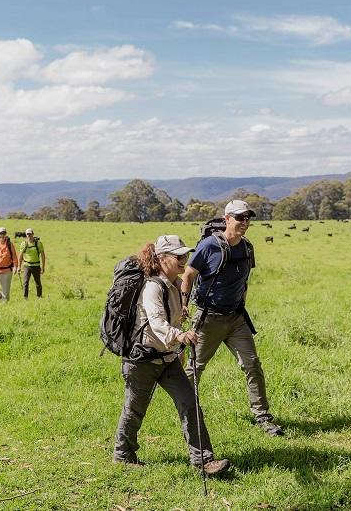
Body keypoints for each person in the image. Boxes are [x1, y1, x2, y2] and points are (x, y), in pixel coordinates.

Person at [113, 235, 230, 475]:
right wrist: (179, 336)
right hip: (142, 361)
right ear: (162, 259)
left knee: (190, 404)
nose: (183, 260)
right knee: (135, 409)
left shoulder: (175, 285)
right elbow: (157, 323)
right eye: (178, 256)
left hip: (168, 359)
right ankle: (123, 454)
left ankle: (204, 462)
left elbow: (172, 317)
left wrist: (179, 341)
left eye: (185, 255)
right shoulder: (152, 287)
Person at [181, 200, 284, 436]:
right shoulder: (209, 246)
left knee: (252, 365)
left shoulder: (247, 247)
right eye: (240, 218)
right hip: (209, 319)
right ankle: (187, 412)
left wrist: (241, 303)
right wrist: (183, 304)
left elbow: (245, 280)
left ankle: (262, 416)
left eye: (248, 218)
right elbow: (188, 275)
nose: (245, 223)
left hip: (237, 318)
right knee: (194, 368)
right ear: (227, 219)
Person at [18, 228, 46, 299]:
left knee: (38, 283)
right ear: (26, 235)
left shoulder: (38, 244)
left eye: (30, 234)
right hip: (27, 266)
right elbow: (20, 256)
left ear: (33, 234)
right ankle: (25, 298)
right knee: (25, 282)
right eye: (27, 234)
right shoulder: (23, 244)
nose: (29, 235)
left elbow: (43, 256)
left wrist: (43, 267)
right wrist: (19, 267)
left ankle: (39, 297)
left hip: (36, 265)